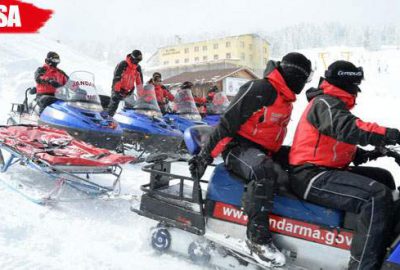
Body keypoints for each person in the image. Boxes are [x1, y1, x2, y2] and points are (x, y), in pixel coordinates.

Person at [189, 52, 313, 267]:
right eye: (305, 78)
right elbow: (227, 124)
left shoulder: (285, 97)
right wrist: (204, 158)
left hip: (264, 149)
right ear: (296, 75)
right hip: (238, 147)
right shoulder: (260, 89)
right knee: (263, 170)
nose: (304, 84)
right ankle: (257, 239)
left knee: (300, 158)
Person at [289, 60, 400, 270]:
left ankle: (383, 240)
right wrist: (390, 134)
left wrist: (371, 153)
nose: (358, 89)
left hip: (326, 169)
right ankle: (363, 265)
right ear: (347, 81)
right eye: (356, 83)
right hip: (310, 175)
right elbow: (348, 128)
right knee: (375, 196)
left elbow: (335, 144)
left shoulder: (334, 105)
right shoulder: (325, 103)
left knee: (384, 177)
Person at [107, 50, 143, 116]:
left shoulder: (138, 68)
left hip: (129, 91)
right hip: (117, 88)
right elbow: (117, 78)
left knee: (130, 108)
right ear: (132, 57)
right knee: (114, 105)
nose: (138, 62)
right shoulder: (123, 64)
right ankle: (108, 118)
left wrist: (141, 96)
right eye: (137, 60)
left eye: (139, 60)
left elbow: (139, 83)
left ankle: (128, 120)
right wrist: (116, 91)